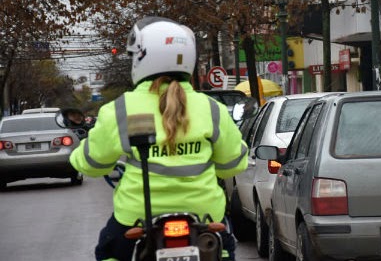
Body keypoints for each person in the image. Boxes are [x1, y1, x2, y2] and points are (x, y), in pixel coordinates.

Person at [69, 16, 248, 260]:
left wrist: (80, 155)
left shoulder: (120, 110)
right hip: (204, 216)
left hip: (136, 216)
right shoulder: (211, 109)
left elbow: (92, 164)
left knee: (107, 251)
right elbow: (232, 165)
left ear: (142, 58)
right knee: (224, 250)